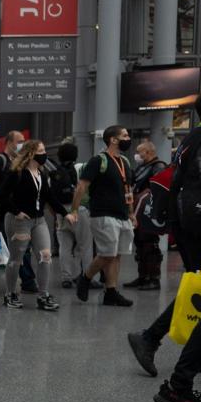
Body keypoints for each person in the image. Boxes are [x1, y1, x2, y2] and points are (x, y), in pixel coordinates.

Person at [129, 86, 201, 379]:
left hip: (186, 220)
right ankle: (151, 337)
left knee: (200, 282)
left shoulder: (190, 139)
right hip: (199, 222)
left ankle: (166, 340)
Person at [0, 139, 69, 311]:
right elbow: (2, 196)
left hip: (39, 220)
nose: (44, 154)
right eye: (41, 151)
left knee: (45, 256)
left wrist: (65, 214)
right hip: (19, 221)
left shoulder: (42, 174)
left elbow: (49, 197)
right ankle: (10, 293)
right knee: (16, 259)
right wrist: (16, 212)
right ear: (30, 154)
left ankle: (43, 295)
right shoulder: (16, 173)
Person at [68, 125, 136, 307]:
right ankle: (86, 277)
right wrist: (74, 210)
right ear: (113, 140)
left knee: (117, 254)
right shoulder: (98, 161)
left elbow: (127, 189)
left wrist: (131, 212)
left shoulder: (125, 162)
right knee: (107, 254)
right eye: (124, 135)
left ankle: (111, 292)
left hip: (122, 215)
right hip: (103, 214)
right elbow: (81, 186)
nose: (128, 139)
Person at [0, 129, 38, 294]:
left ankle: (28, 280)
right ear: (9, 143)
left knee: (18, 245)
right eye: (19, 141)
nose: (21, 144)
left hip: (13, 212)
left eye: (23, 141)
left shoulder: (18, 163)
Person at [123, 140, 167, 290]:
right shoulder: (143, 167)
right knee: (140, 243)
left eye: (139, 151)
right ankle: (143, 276)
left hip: (148, 211)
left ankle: (154, 279)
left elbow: (159, 189)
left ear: (148, 152)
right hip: (138, 209)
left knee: (149, 244)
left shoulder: (158, 166)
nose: (137, 154)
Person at [50, 139, 93, 289]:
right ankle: (85, 276)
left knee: (64, 247)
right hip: (79, 209)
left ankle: (66, 278)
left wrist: (57, 214)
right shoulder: (80, 168)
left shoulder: (54, 172)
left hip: (61, 212)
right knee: (85, 246)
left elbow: (51, 198)